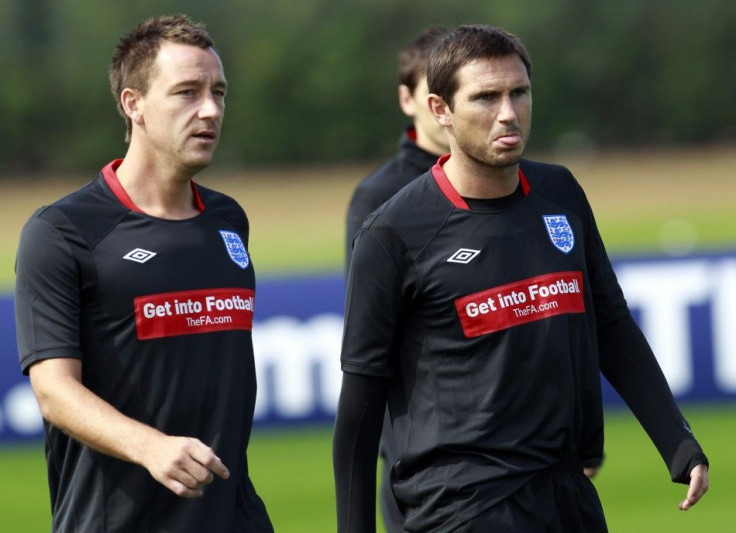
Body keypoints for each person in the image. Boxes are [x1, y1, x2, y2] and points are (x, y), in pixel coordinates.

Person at [333, 24, 709, 532]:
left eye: (519, 93)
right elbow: (359, 407)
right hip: (463, 505)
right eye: (486, 97)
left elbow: (610, 322)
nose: (508, 113)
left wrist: (677, 440)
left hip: (568, 491)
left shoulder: (560, 193)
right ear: (440, 109)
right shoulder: (393, 231)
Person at [14, 14, 273, 532]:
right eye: (187, 92)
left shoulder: (228, 220)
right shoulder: (63, 231)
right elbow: (53, 390)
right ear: (134, 105)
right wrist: (151, 447)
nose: (210, 110)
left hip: (234, 517)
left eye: (218, 92)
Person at [344, 26, 450, 533]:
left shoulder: (520, 183)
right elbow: (371, 338)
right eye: (434, 90)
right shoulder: (379, 198)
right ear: (409, 99)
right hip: (421, 453)